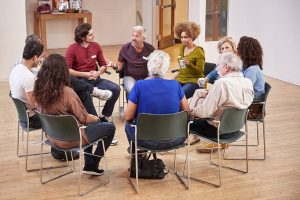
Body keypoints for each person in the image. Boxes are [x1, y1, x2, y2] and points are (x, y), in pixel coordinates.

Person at [33, 54, 115, 175]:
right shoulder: (66, 92)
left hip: (51, 137)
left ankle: (89, 164)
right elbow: (84, 118)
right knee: (109, 127)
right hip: (71, 138)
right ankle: (91, 164)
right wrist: (98, 119)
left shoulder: (38, 89)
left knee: (88, 124)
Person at [124, 50, 190, 150]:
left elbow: (128, 116)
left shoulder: (139, 85)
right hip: (175, 138)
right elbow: (187, 112)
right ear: (166, 67)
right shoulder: (175, 85)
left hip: (146, 140)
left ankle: (138, 158)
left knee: (128, 125)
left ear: (148, 66)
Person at [189, 52, 254, 148]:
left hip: (219, 131)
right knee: (201, 97)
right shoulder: (248, 82)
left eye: (218, 65)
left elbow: (204, 113)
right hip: (237, 128)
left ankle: (170, 143)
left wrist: (190, 112)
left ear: (226, 67)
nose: (216, 69)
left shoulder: (222, 83)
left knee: (186, 121)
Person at [65, 23, 120, 121]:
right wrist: (85, 74)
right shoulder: (72, 49)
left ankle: (104, 115)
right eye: (90, 35)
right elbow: (67, 70)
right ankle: (94, 119)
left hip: (95, 79)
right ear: (82, 37)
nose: (93, 36)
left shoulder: (96, 46)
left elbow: (103, 65)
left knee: (116, 89)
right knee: (86, 95)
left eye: (93, 34)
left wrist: (98, 73)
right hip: (80, 81)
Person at [9, 41, 44, 128]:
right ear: (35, 57)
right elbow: (34, 105)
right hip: (32, 119)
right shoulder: (28, 77)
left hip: (23, 117)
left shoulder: (15, 69)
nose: (41, 60)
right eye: (40, 57)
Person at [116, 26, 155, 96]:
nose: (133, 38)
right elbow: (119, 67)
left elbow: (156, 66)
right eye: (133, 35)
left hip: (147, 77)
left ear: (143, 38)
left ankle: (145, 106)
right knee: (131, 89)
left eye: (136, 36)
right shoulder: (125, 48)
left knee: (148, 89)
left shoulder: (150, 49)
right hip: (130, 77)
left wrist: (151, 76)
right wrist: (113, 66)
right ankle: (132, 107)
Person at [174, 21, 205, 99]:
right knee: (168, 91)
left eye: (186, 37)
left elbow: (200, 71)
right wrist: (176, 75)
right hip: (181, 78)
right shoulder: (182, 48)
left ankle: (182, 111)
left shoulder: (199, 51)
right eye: (182, 37)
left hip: (193, 80)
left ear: (192, 37)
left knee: (179, 95)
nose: (183, 40)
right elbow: (183, 68)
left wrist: (189, 64)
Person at [237, 36, 265, 101]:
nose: (237, 49)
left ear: (245, 52)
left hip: (252, 102)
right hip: (246, 96)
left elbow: (244, 89)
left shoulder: (252, 70)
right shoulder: (245, 66)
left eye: (239, 48)